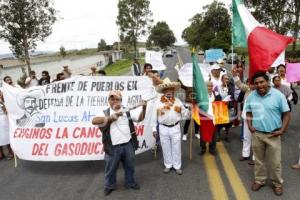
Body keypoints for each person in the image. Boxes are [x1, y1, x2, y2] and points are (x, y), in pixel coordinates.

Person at [92, 90, 147, 196]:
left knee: (130, 166)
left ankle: (130, 183)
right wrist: (110, 118)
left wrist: (144, 107)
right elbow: (94, 121)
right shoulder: (105, 112)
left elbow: (140, 118)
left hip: (128, 145)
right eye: (112, 99)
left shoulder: (127, 111)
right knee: (110, 168)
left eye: (117, 99)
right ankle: (109, 185)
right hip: (112, 147)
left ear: (121, 100)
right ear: (108, 101)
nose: (115, 101)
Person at [245, 71, 290, 196]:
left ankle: (277, 183)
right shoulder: (251, 96)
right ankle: (260, 180)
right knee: (259, 160)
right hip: (257, 135)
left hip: (273, 135)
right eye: (256, 83)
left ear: (267, 82)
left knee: (275, 162)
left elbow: (286, 113)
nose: (259, 85)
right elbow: (248, 112)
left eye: (262, 82)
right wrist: (249, 126)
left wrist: (282, 130)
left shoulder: (278, 95)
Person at [153, 78, 190, 175]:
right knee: (165, 147)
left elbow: (185, 114)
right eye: (167, 90)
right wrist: (154, 129)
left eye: (171, 90)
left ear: (173, 91)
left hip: (175, 127)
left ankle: (177, 166)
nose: (169, 92)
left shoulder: (177, 101)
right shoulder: (158, 102)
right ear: (164, 92)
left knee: (176, 147)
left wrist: (189, 109)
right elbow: (154, 117)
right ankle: (168, 165)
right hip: (163, 128)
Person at [232, 67, 255, 165]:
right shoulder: (248, 89)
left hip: (257, 118)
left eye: (254, 83)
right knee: (246, 136)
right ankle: (245, 154)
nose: (252, 85)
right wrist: (234, 75)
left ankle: (255, 157)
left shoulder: (262, 92)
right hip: (246, 117)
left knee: (256, 138)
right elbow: (239, 84)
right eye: (251, 83)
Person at [199, 81, 221, 155]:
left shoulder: (216, 94)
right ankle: (203, 148)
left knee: (213, 134)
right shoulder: (201, 95)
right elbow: (198, 105)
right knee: (203, 134)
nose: (210, 87)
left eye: (211, 86)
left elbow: (220, 103)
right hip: (204, 117)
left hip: (213, 117)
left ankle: (212, 149)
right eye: (208, 86)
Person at [214, 74, 234, 142]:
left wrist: (229, 97)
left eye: (228, 79)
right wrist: (222, 101)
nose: (227, 80)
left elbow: (232, 96)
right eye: (225, 78)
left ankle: (227, 135)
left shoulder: (230, 87)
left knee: (228, 123)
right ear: (222, 79)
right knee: (219, 122)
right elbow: (216, 97)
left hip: (228, 107)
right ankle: (218, 135)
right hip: (220, 107)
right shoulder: (217, 87)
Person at [0, 90, 14, 160]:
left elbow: (7, 112)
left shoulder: (5, 101)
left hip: (3, 120)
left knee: (6, 137)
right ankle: (1, 153)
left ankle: (10, 152)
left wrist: (2, 103)